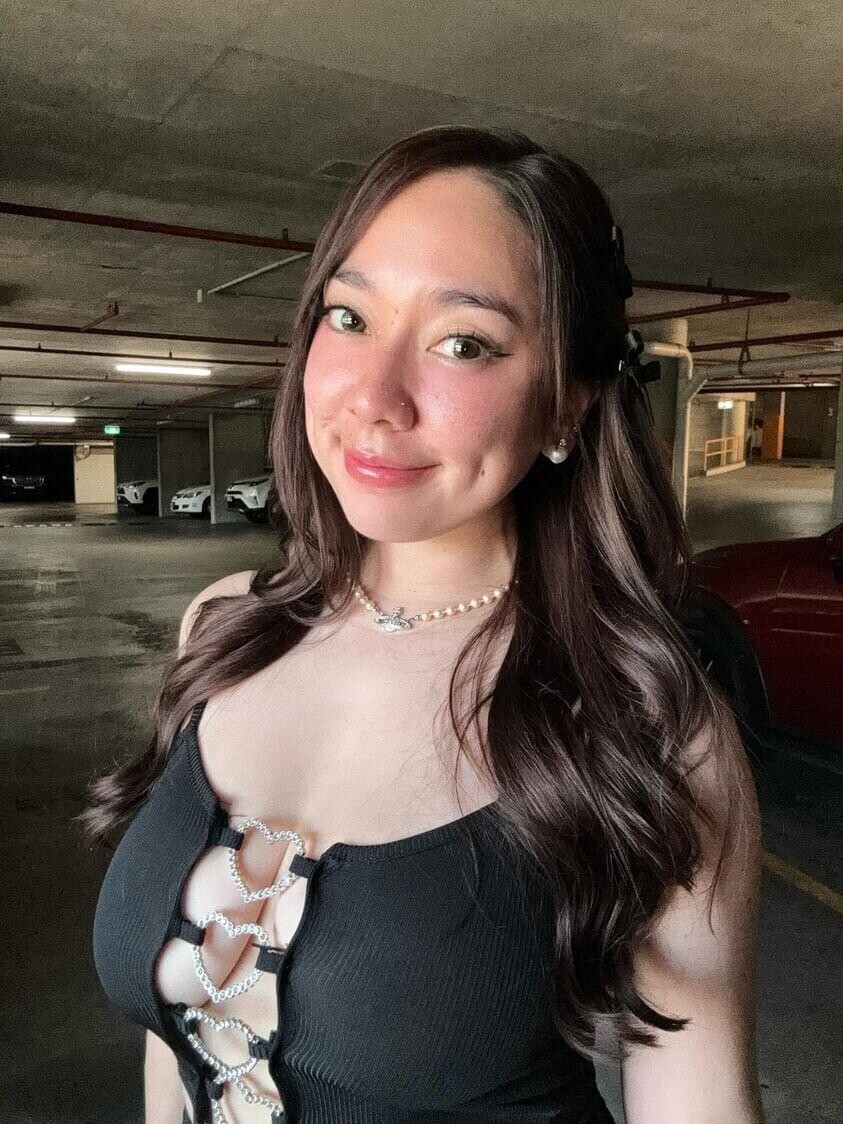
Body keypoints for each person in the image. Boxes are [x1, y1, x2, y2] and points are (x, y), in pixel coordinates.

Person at [87, 126, 763, 1124]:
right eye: (349, 316)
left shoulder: (643, 725)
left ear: (566, 406)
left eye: (464, 342)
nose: (374, 396)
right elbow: (173, 1034)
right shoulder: (226, 630)